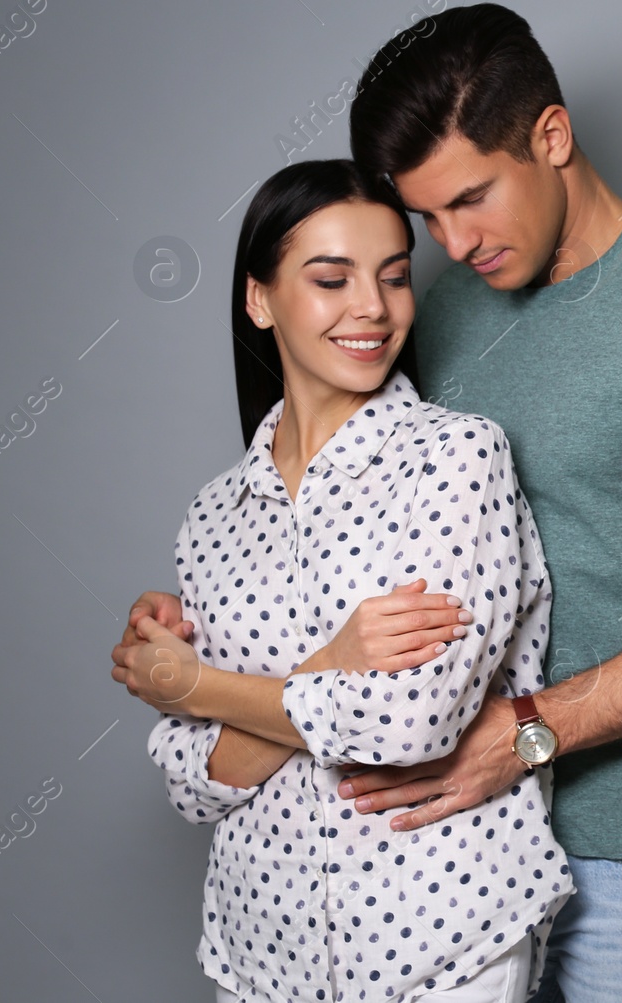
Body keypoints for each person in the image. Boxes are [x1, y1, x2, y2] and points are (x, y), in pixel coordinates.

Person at [117, 3, 622, 1003]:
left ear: (552, 136)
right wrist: (203, 616)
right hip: (449, 855)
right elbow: (338, 513)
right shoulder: (432, 312)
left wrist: (529, 728)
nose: (451, 239)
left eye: (471, 200)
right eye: (427, 216)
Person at [111, 159, 571, 1002]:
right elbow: (188, 776)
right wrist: (335, 660)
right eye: (332, 279)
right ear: (259, 299)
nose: (373, 307)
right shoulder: (212, 519)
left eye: (394, 277)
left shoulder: (457, 459)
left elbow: (411, 722)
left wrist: (204, 686)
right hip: (263, 952)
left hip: (443, 934)